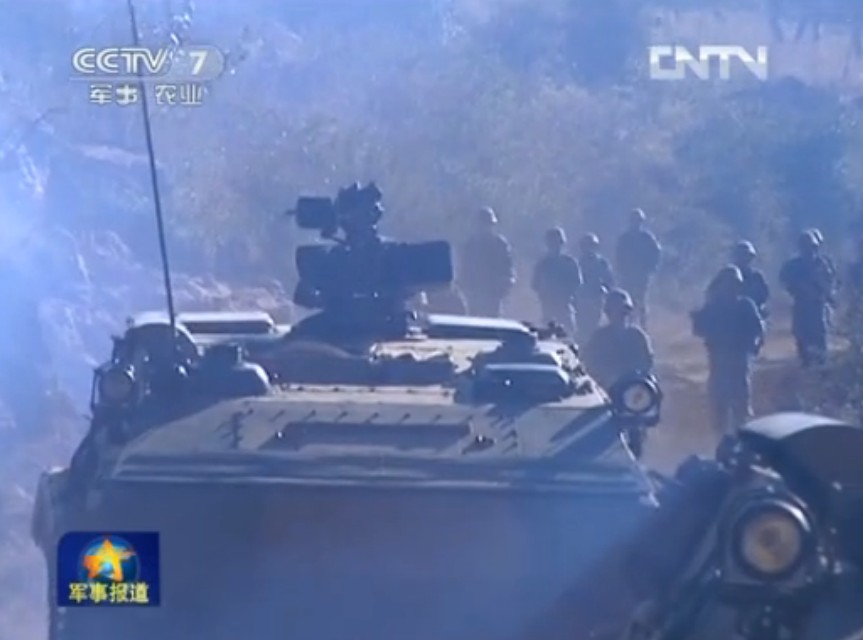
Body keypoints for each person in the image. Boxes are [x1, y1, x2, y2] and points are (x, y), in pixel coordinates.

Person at [691, 265, 765, 435]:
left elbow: (758, 329)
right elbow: (699, 330)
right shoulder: (713, 306)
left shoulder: (745, 305)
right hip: (719, 361)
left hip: (739, 360)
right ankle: (722, 438)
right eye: (728, 283)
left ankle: (741, 436)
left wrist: (754, 345)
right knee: (719, 406)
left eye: (735, 284)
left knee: (741, 405)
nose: (731, 288)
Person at [779, 230, 837, 367]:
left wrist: (825, 292)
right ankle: (807, 364)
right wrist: (798, 288)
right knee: (802, 338)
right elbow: (784, 281)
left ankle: (821, 366)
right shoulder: (793, 265)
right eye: (804, 247)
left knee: (820, 338)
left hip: (818, 305)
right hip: (801, 305)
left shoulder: (822, 263)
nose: (808, 251)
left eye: (810, 247)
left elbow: (831, 282)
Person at [583, 288, 654, 390]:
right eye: (617, 310)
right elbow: (590, 364)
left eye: (624, 311)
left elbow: (647, 363)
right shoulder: (599, 338)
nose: (621, 315)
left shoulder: (638, 336)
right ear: (608, 312)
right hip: (608, 388)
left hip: (634, 386)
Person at [458, 207, 515, 317]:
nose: (485, 227)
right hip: (474, 291)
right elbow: (464, 268)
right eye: (482, 224)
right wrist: (465, 285)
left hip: (493, 292)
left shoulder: (500, 244)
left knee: (492, 319)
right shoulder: (470, 245)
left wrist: (505, 283)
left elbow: (507, 267)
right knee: (473, 319)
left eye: (488, 224)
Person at [615, 208, 661, 328]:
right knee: (627, 301)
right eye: (634, 221)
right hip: (628, 275)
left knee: (641, 301)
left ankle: (643, 325)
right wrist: (621, 270)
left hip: (642, 275)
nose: (636, 223)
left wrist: (652, 267)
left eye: (638, 221)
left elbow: (656, 252)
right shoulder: (625, 238)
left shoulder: (647, 237)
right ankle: (628, 324)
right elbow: (619, 256)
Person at [531, 227, 582, 337]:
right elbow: (535, 284)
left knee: (568, 333)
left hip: (564, 304)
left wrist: (565, 293)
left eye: (557, 243)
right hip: (548, 305)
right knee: (546, 333)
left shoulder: (569, 262)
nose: (555, 246)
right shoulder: (543, 263)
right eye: (552, 243)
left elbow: (577, 283)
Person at [576, 233, 615, 345]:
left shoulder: (602, 263)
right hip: (581, 299)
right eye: (586, 246)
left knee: (594, 324)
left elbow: (609, 280)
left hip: (597, 298)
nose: (589, 249)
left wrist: (605, 289)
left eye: (591, 246)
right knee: (582, 325)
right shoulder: (577, 263)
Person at [729, 240, 769, 319]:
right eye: (741, 255)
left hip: (753, 314)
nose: (744, 259)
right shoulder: (729, 275)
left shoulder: (756, 276)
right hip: (733, 315)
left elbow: (764, 295)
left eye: (746, 256)